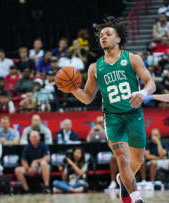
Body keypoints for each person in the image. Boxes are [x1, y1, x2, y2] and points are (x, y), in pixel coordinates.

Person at [59, 17, 156, 203]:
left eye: (108, 34)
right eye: (101, 35)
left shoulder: (133, 59)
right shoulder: (95, 67)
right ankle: (135, 198)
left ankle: (123, 179)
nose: (103, 37)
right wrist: (72, 89)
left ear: (118, 39)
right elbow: (87, 97)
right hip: (112, 118)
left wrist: (143, 93)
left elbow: (151, 83)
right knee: (122, 158)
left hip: (134, 115)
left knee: (137, 161)